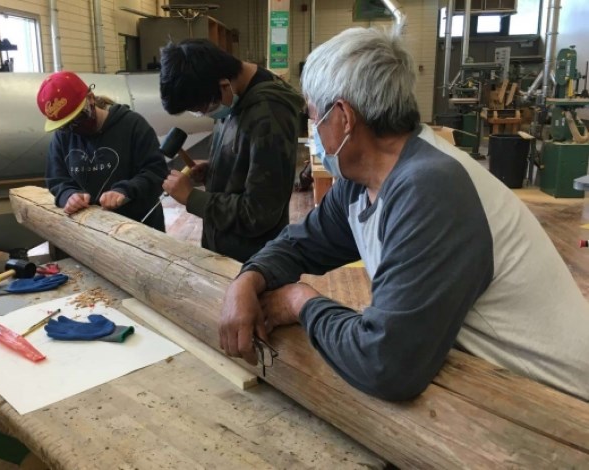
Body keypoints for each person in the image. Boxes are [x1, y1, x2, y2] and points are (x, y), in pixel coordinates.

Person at [219, 26, 589, 401]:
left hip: (562, 409)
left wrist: (300, 302)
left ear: (344, 117)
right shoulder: (361, 181)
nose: (312, 131)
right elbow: (301, 244)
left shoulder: (430, 188)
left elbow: (385, 364)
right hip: (497, 388)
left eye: (314, 117)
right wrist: (247, 280)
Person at [159, 39, 305, 262]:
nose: (203, 114)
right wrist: (215, 169)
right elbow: (246, 160)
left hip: (253, 263)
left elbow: (258, 213)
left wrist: (192, 198)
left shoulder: (270, 115)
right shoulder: (232, 96)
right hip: (225, 248)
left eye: (201, 109)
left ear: (224, 86)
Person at [37, 71, 167, 231]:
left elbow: (157, 172)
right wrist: (69, 195)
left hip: (140, 229)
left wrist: (125, 190)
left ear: (90, 99)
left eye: (78, 119)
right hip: (90, 233)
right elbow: (56, 179)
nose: (74, 129)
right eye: (66, 125)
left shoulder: (133, 125)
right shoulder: (63, 136)